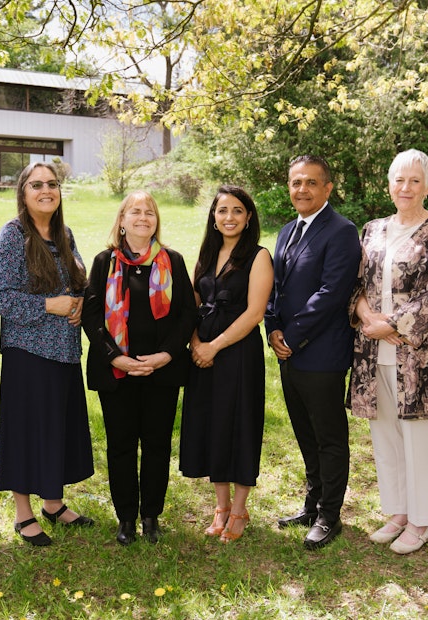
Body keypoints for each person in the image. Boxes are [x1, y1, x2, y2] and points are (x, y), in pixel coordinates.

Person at [346, 150, 428, 555]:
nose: (406, 188)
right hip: (372, 349)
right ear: (388, 184)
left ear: (427, 185)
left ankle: (422, 520)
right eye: (399, 180)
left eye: (415, 181)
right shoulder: (373, 229)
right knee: (385, 434)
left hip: (418, 352)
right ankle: (396, 512)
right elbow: (356, 282)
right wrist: (367, 318)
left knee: (418, 436)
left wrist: (392, 325)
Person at [0, 162, 95, 547]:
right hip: (28, 351)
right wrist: (50, 306)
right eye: (37, 185)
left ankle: (53, 504)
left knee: (57, 429)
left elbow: (76, 283)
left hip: (65, 351)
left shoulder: (64, 235)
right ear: (23, 192)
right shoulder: (14, 236)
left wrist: (79, 302)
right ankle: (23, 514)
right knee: (27, 431)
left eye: (52, 184)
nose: (46, 190)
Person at [84, 191, 196, 545]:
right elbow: (91, 315)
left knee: (157, 444)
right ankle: (126, 518)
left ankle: (151, 516)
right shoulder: (104, 262)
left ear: (156, 221)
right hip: (116, 371)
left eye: (149, 212)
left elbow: (186, 315)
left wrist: (165, 355)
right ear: (122, 220)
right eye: (135, 211)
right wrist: (115, 357)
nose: (143, 217)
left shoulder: (172, 261)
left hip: (161, 370)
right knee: (120, 445)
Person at [266, 155, 361, 550]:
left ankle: (330, 515)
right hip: (288, 350)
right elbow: (276, 285)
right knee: (304, 432)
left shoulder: (341, 231)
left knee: (328, 436)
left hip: (320, 351)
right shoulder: (288, 230)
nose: (301, 189)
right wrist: (272, 327)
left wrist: (294, 335)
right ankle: (312, 502)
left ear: (327, 188)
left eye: (310, 182)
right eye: (295, 182)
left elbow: (332, 293)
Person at [179, 185, 274, 543]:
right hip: (203, 354)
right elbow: (192, 303)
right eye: (222, 210)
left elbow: (254, 313)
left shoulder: (259, 256)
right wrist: (196, 344)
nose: (229, 217)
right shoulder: (206, 253)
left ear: (248, 217)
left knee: (239, 425)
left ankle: (239, 508)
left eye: (237, 210)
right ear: (213, 217)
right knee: (212, 426)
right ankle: (219, 507)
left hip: (237, 354)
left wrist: (214, 346)